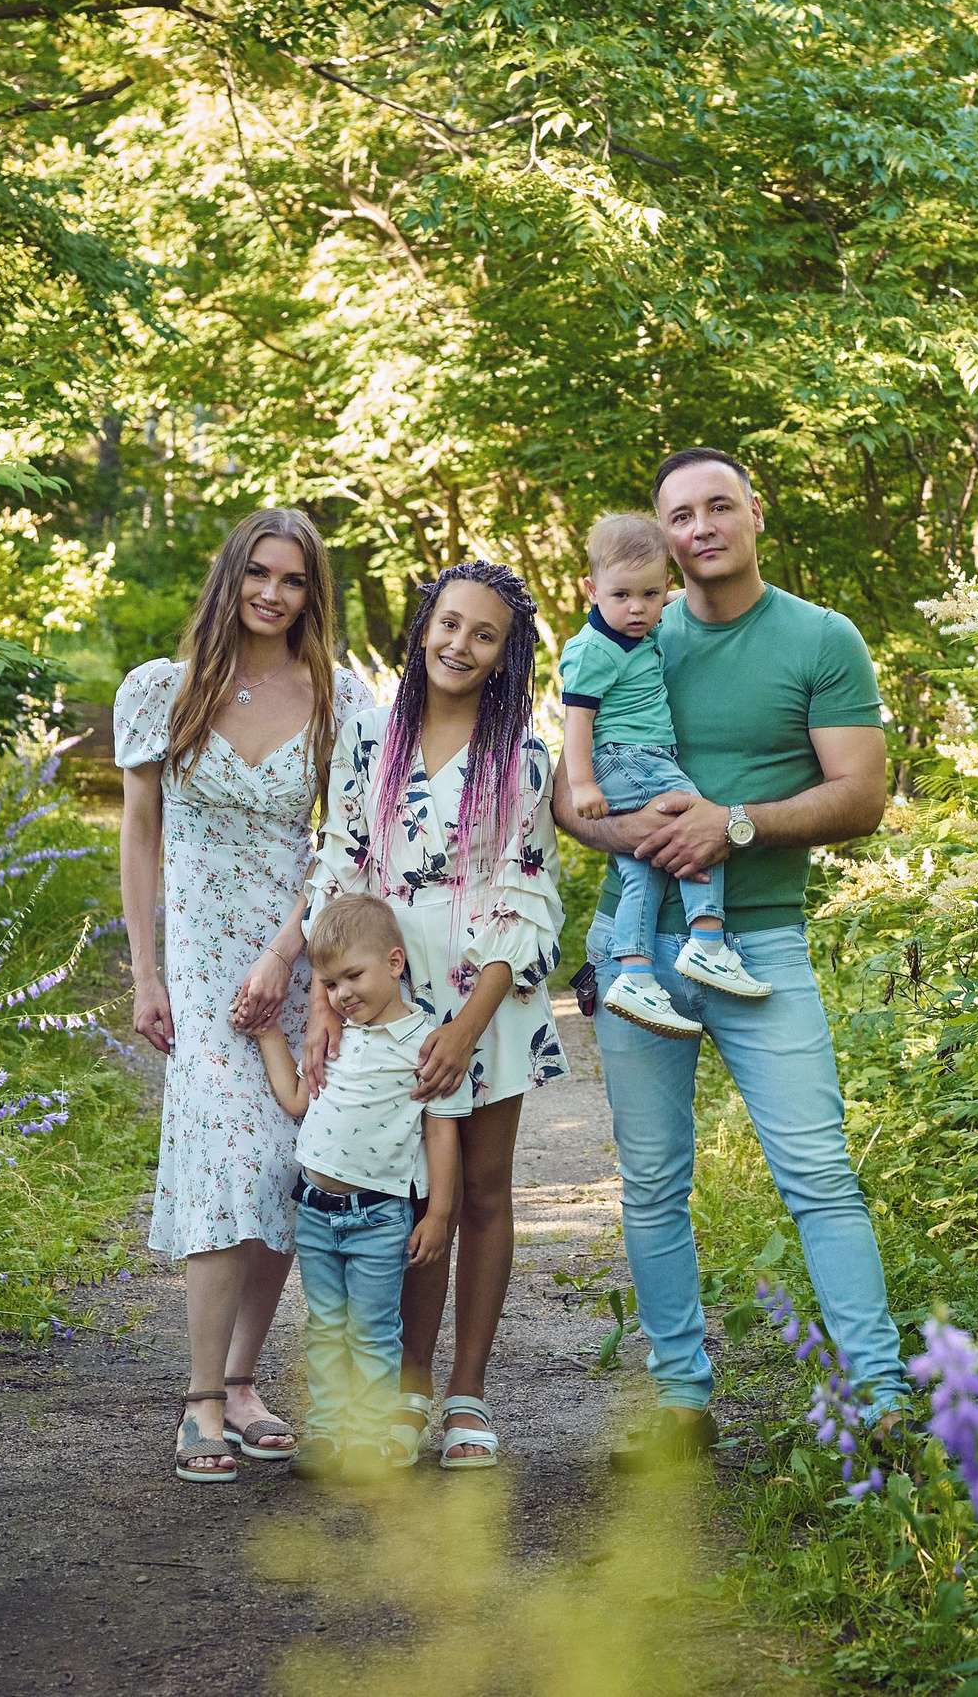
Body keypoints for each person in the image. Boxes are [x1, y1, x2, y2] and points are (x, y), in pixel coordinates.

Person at [550, 448, 902, 1473]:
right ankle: (680, 1404)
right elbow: (576, 804)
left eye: (718, 505)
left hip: (761, 944)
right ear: (657, 536)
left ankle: (883, 1398)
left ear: (756, 512)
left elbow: (862, 795)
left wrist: (731, 826)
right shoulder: (623, 632)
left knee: (819, 1173)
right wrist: (646, 837)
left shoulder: (818, 637)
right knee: (653, 1181)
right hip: (637, 949)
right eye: (679, 514)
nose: (700, 525)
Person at [115, 507, 374, 1483]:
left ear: (313, 594)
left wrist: (286, 958)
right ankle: (195, 1399)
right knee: (225, 1155)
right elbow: (139, 833)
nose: (273, 592)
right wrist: (144, 970)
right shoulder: (162, 690)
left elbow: (346, 843)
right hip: (198, 961)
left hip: (295, 953)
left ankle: (241, 1380)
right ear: (231, 577)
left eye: (294, 579)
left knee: (283, 1166)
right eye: (259, 572)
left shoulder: (339, 698)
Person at [303, 559, 566, 1469]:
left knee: (482, 1194)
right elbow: (338, 869)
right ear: (423, 628)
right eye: (449, 624)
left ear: (506, 655)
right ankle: (407, 1388)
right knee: (402, 1194)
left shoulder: (524, 759)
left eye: (484, 634)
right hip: (380, 1007)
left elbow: (523, 898)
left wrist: (463, 1027)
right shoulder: (369, 740)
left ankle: (467, 1393)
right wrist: (323, 1002)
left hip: (487, 1006)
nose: (461, 644)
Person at [253, 893, 465, 1479]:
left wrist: (439, 1214)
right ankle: (325, 1436)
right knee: (325, 1328)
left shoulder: (426, 1044)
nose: (343, 994)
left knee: (372, 1332)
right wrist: (271, 1036)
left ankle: (371, 1440)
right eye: (330, 984)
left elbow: (442, 1135)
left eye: (354, 976)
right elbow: (298, 1099)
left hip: (379, 1215)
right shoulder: (336, 1039)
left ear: (394, 963)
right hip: (315, 1212)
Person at [558, 512, 772, 1038]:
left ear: (666, 587)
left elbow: (661, 601)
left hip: (634, 758)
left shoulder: (638, 625)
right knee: (701, 822)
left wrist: (682, 598)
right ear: (592, 589)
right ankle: (707, 941)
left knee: (643, 868)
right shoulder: (594, 649)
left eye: (651, 595)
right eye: (623, 595)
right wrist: (582, 784)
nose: (637, 609)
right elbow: (576, 721)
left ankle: (632, 974)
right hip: (631, 758)